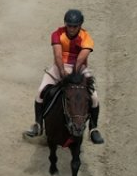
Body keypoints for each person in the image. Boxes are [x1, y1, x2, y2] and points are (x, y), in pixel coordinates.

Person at [24, 9, 105, 144]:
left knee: (94, 97)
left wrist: (73, 75)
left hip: (79, 69)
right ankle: (38, 124)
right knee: (40, 92)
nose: (72, 29)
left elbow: (80, 59)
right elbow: (57, 54)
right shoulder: (57, 34)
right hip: (60, 66)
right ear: (65, 24)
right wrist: (62, 72)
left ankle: (93, 128)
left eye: (75, 26)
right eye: (69, 25)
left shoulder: (86, 37)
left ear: (80, 25)